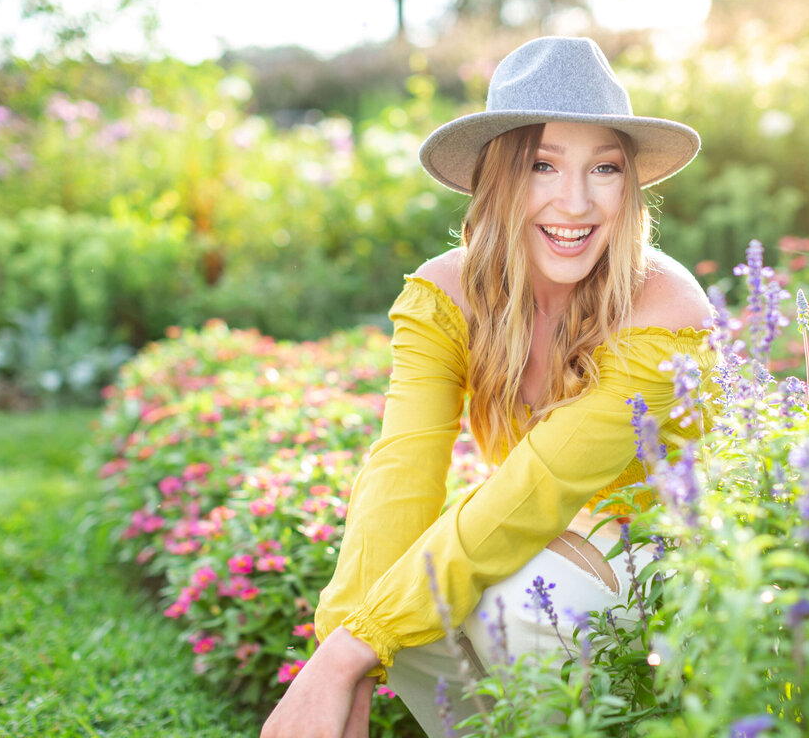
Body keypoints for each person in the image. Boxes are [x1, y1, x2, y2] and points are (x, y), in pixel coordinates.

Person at [261, 36, 719, 738]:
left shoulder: (665, 309)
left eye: (604, 168)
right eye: (543, 164)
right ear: (498, 177)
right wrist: (340, 651)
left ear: (630, 184)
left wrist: (356, 645)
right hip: (540, 552)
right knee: (409, 603)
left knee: (504, 595)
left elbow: (540, 483)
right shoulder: (446, 293)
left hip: (671, 575)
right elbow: (401, 468)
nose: (576, 201)